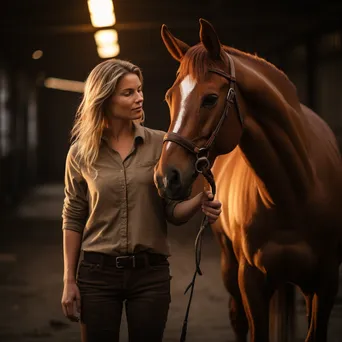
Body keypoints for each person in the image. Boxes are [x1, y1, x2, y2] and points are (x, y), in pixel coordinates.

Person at [61, 58, 222, 342]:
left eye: (140, 90)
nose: (140, 98)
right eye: (128, 93)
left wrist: (199, 201)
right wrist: (69, 280)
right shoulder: (80, 154)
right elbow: (73, 216)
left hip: (150, 276)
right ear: (105, 98)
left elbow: (172, 211)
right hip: (97, 275)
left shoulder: (161, 145)